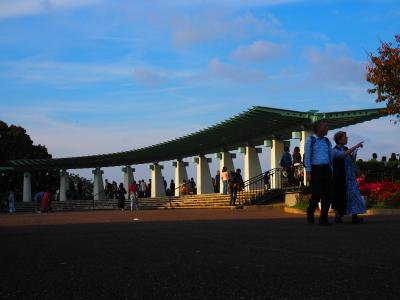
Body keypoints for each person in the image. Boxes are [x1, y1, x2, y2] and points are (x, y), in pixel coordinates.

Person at [332, 131, 366, 224]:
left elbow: (352, 162)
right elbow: (343, 155)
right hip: (340, 178)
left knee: (354, 195)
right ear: (339, 140)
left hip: (350, 177)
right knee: (340, 196)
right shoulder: (334, 150)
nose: (347, 138)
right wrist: (356, 146)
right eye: (345, 137)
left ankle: (355, 216)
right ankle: (338, 216)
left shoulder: (346, 149)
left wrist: (360, 173)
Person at [305, 120, 333, 226]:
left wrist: (332, 169)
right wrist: (308, 171)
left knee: (328, 194)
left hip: (326, 169)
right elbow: (307, 156)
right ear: (319, 127)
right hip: (315, 169)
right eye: (325, 126)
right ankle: (310, 211)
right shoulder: (310, 140)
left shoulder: (327, 141)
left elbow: (330, 156)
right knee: (316, 194)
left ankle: (323, 218)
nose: (327, 128)